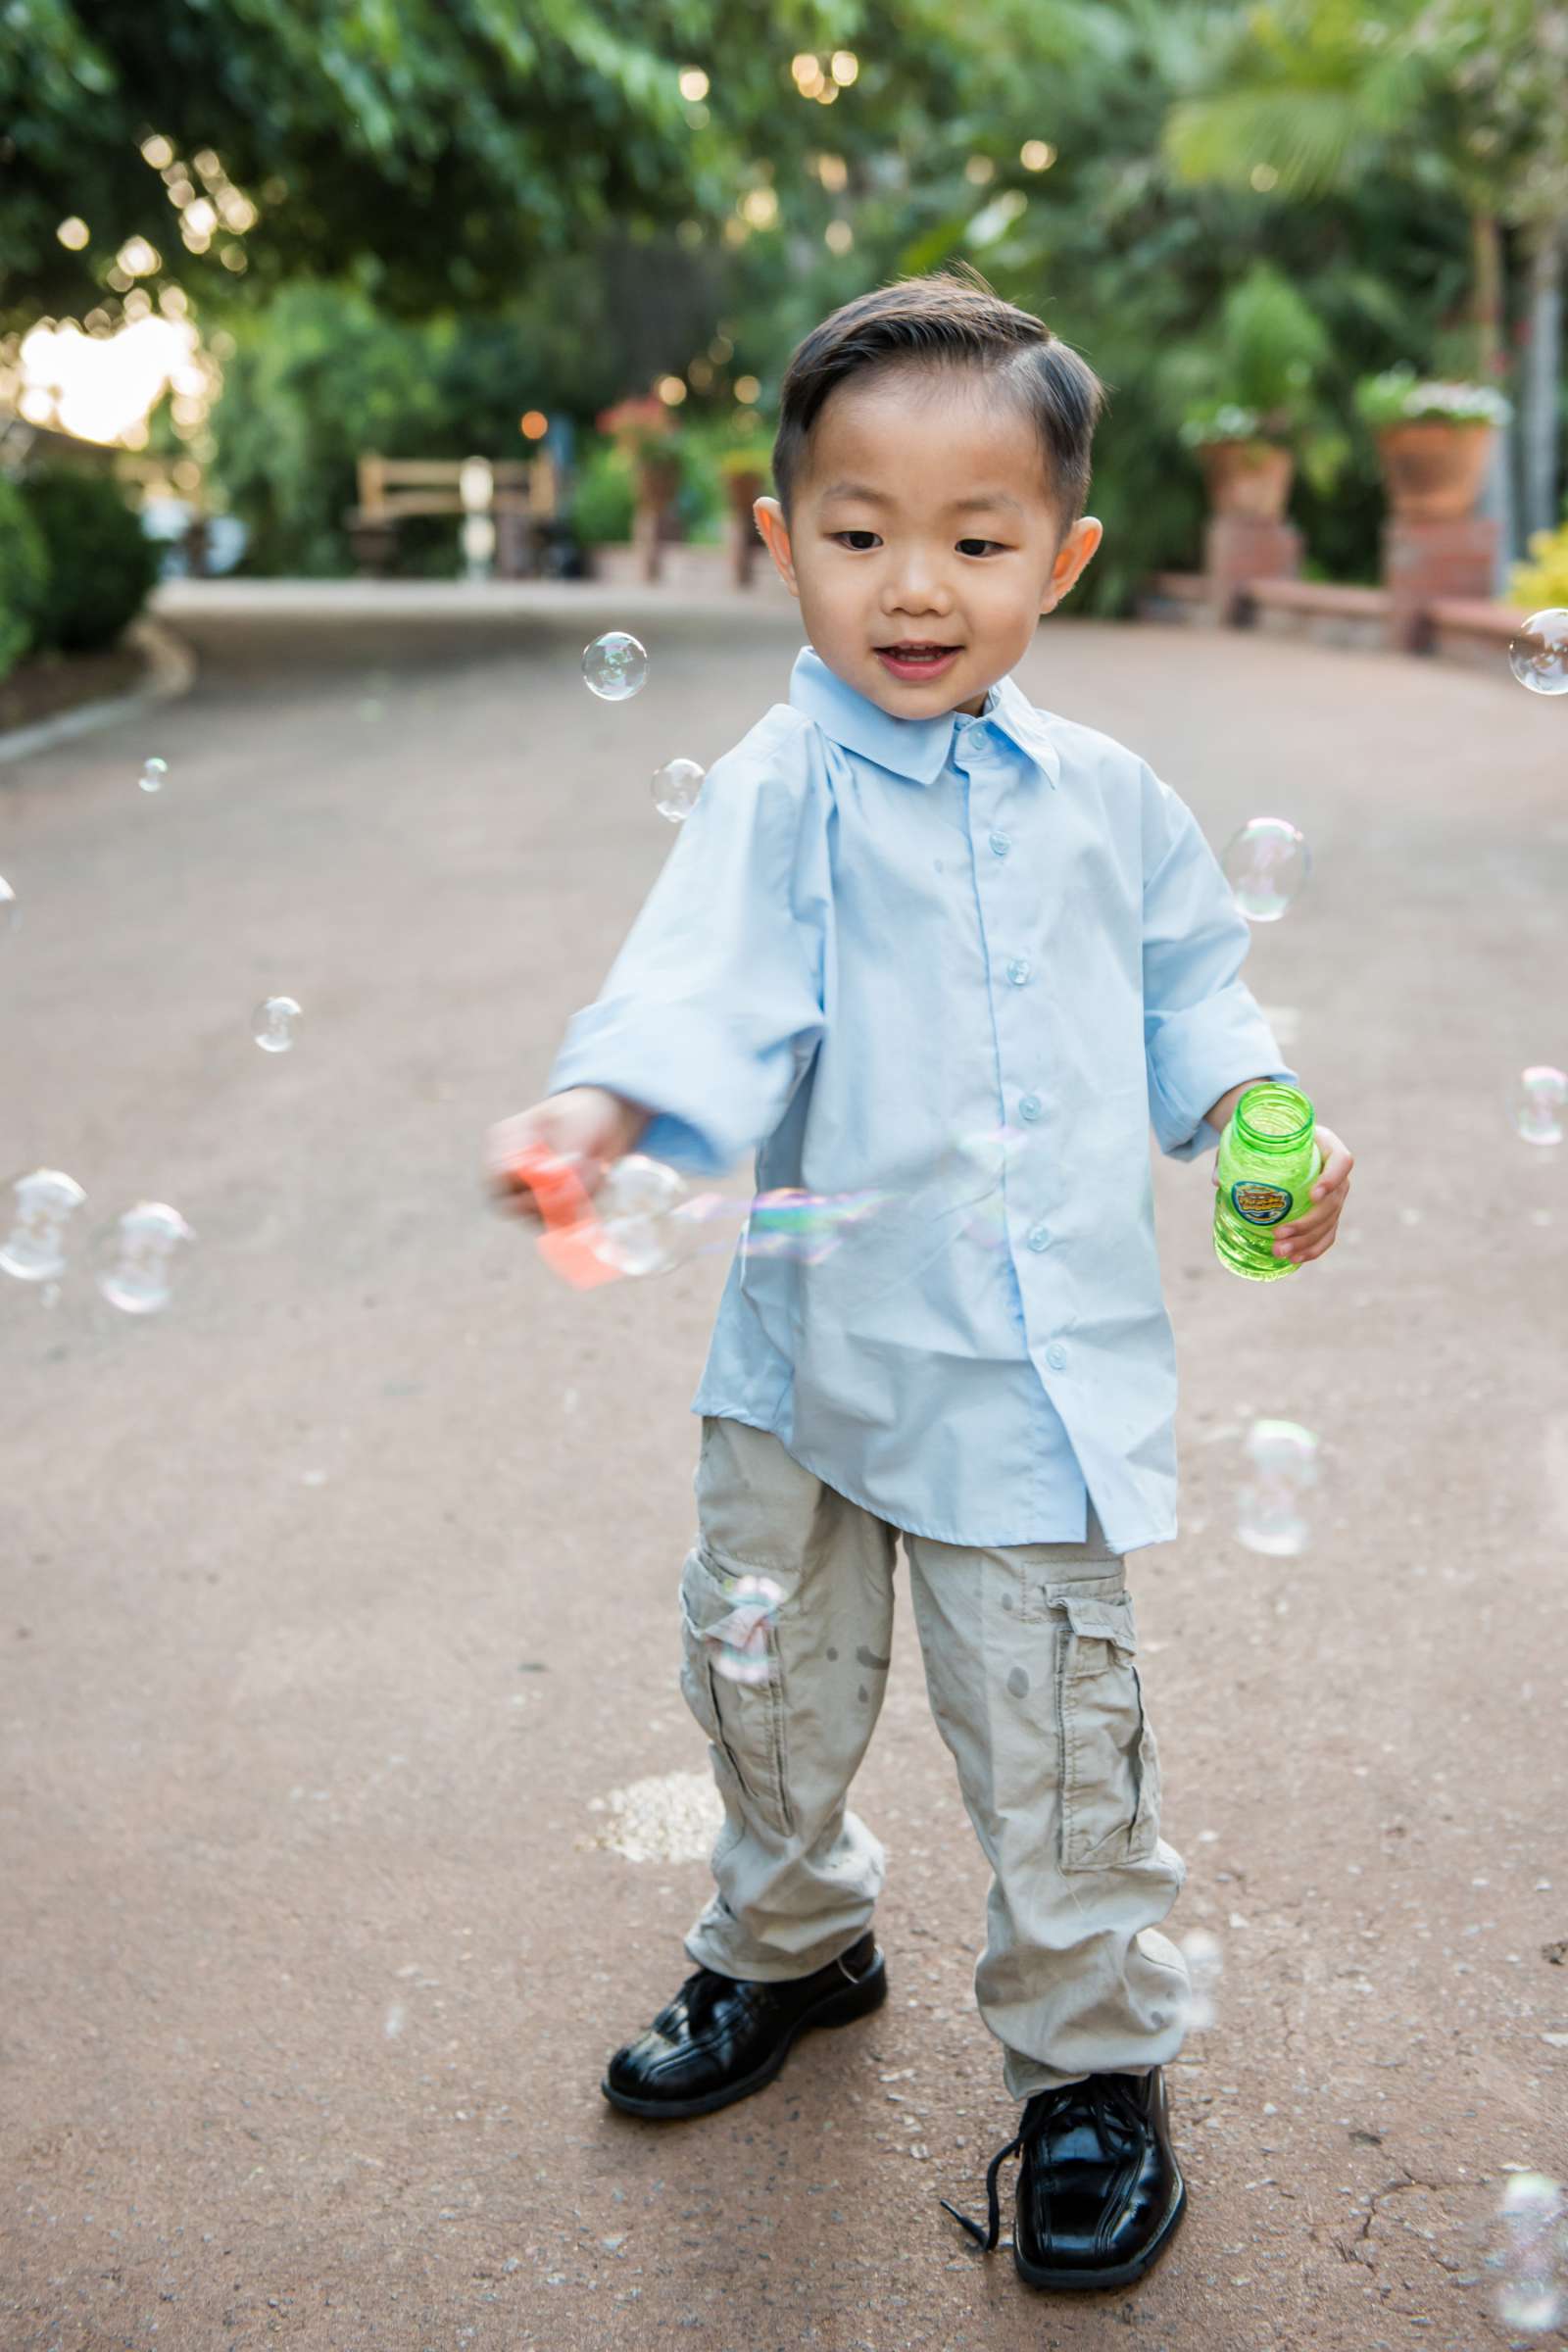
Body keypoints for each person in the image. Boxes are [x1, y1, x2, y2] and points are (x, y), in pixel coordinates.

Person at [488, 264, 1354, 2296]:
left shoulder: (1112, 809)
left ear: (1056, 558)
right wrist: (597, 1120)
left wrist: (1256, 1121)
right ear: (781, 542)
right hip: (803, 1354)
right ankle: (791, 1939)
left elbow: (1196, 1003)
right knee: (758, 1676)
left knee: (1053, 1741)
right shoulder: (774, 792)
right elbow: (685, 990)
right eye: (859, 535)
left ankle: (1084, 2066)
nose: (913, 586)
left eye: (974, 542)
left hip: (1027, 1379)